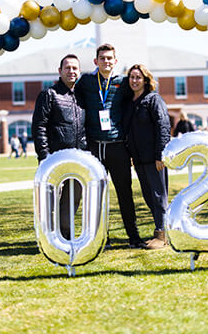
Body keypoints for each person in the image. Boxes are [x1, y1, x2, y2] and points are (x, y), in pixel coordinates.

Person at [75, 43, 145, 248]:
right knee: (95, 194)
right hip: (94, 147)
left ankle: (134, 237)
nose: (106, 61)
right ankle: (99, 238)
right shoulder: (86, 81)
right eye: (102, 58)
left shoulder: (123, 82)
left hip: (117, 147)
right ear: (96, 61)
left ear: (115, 61)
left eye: (110, 58)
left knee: (125, 193)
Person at [32, 54, 86, 239]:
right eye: (68, 68)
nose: (71, 71)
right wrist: (44, 156)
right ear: (60, 71)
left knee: (73, 200)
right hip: (55, 158)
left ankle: (66, 236)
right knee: (51, 201)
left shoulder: (83, 96)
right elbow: (39, 126)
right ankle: (49, 238)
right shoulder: (49, 94)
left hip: (79, 159)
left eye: (75, 68)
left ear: (79, 72)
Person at [123, 64, 171, 249]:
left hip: (154, 158)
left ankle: (162, 235)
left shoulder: (153, 99)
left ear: (145, 80)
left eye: (138, 77)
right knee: (149, 196)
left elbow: (163, 126)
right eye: (132, 77)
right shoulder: (131, 102)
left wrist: (161, 154)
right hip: (139, 159)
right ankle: (162, 230)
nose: (134, 81)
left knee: (159, 196)